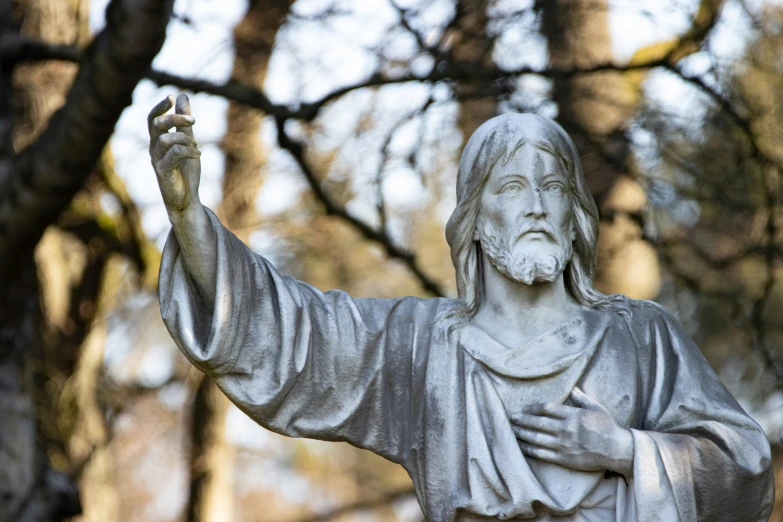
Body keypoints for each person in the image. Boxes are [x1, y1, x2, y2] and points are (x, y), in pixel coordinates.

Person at [149, 94, 774, 521]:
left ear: (575, 215)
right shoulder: (421, 346)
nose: (535, 205)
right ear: (475, 219)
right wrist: (190, 220)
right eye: (511, 186)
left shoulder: (640, 338)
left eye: (553, 187)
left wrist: (626, 453)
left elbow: (746, 470)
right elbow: (293, 332)